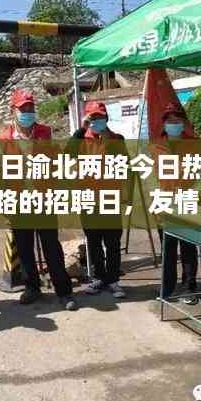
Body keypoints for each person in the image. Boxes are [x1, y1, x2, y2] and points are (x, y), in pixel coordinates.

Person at [0, 89, 77, 311]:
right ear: (13, 111)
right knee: (24, 248)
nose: (27, 112)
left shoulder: (45, 133)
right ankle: (32, 287)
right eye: (23, 109)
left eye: (30, 108)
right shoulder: (4, 138)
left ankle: (64, 291)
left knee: (51, 246)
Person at [71, 101, 127, 299]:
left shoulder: (117, 139)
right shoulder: (81, 139)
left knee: (112, 242)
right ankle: (99, 278)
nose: (97, 121)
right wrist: (83, 128)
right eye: (93, 117)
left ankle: (113, 280)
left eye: (100, 117)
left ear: (106, 118)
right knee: (93, 241)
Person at [152, 102, 200, 305]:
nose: (174, 124)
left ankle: (189, 287)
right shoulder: (156, 146)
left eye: (177, 120)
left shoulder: (194, 144)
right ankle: (167, 287)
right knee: (168, 248)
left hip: (186, 198)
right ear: (164, 124)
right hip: (164, 200)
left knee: (188, 245)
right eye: (169, 120)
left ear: (183, 123)